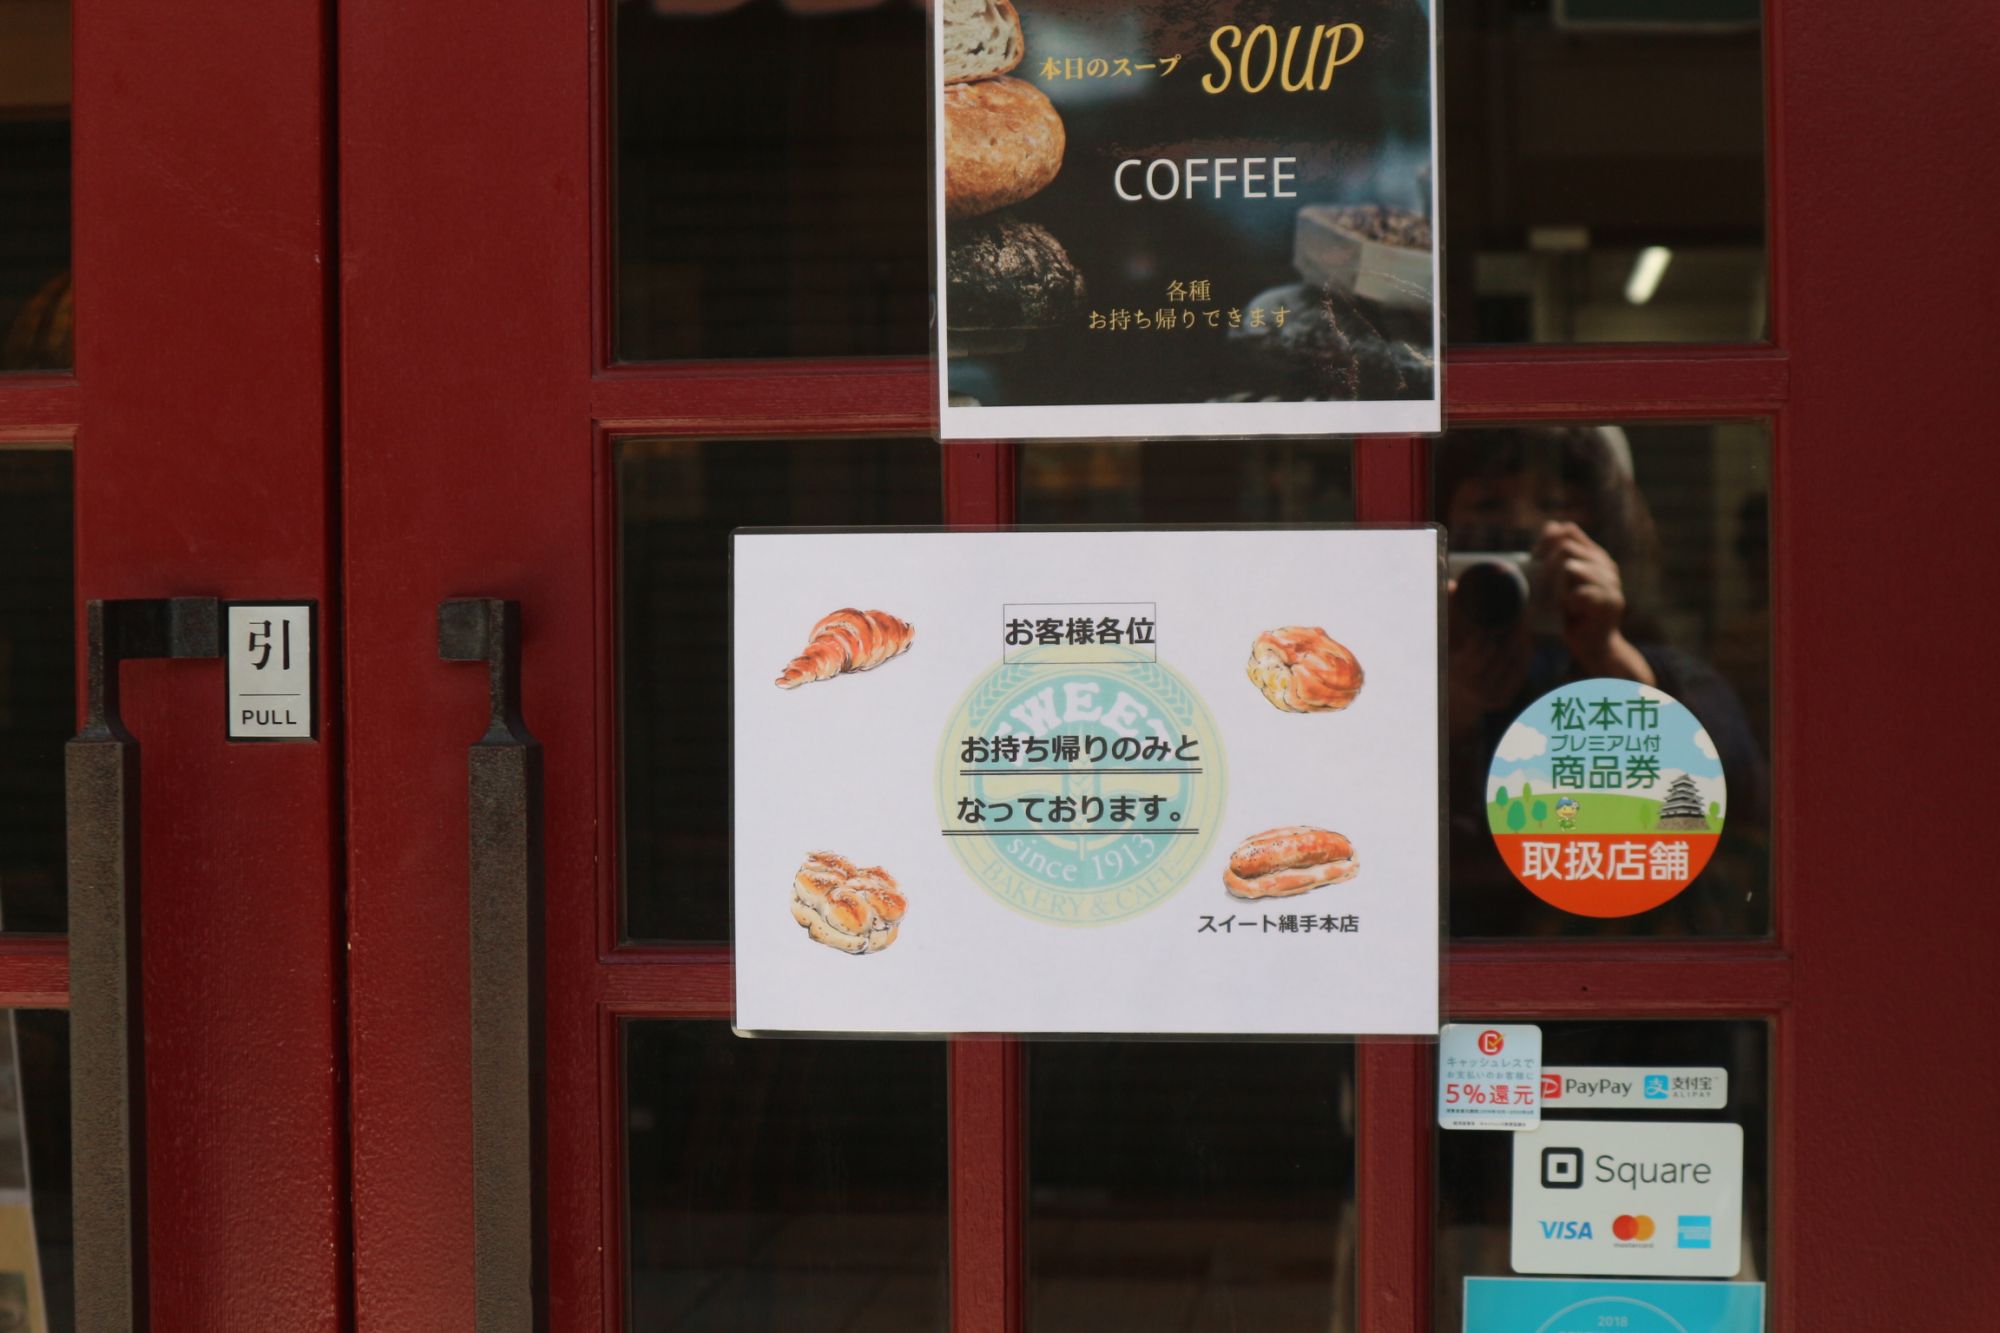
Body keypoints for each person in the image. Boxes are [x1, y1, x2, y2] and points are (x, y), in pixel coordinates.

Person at [1436, 427, 1768, 936]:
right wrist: (1447, 710)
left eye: (1556, 506)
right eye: (1487, 506)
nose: (1523, 525)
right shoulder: (1407, 677)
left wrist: (1607, 654)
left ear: (1605, 538)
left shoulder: (1662, 670)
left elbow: (1738, 803)